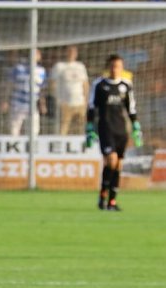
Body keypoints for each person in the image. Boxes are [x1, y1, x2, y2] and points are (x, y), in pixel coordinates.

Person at [86, 54, 143, 211]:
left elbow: (130, 108)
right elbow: (91, 107)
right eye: (112, 66)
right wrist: (90, 127)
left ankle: (111, 201)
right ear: (108, 67)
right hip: (105, 128)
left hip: (121, 130)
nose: (115, 69)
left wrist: (136, 126)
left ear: (122, 68)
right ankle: (103, 194)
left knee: (118, 165)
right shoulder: (99, 84)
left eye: (118, 66)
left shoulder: (126, 85)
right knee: (111, 160)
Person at [2, 49, 47, 136]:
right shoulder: (18, 68)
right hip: (17, 104)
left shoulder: (42, 71)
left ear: (39, 57)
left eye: (36, 54)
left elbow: (42, 90)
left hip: (33, 106)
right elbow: (9, 85)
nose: (34, 56)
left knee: (34, 131)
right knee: (14, 131)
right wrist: (5, 100)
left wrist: (42, 104)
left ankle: (31, 149)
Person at [51, 45, 90, 135]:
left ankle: (84, 145)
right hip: (65, 102)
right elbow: (53, 83)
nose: (71, 54)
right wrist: (57, 98)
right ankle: (61, 144)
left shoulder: (80, 66)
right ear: (65, 53)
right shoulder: (59, 66)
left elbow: (85, 83)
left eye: (74, 52)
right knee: (64, 126)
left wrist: (86, 99)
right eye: (69, 51)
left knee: (82, 126)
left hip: (80, 102)